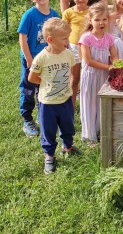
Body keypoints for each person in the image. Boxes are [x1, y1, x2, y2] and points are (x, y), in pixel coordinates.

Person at [28, 18, 81, 174]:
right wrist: (47, 82)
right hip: (48, 103)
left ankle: (68, 146)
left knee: (68, 126)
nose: (67, 41)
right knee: (48, 130)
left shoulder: (68, 54)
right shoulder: (42, 58)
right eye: (64, 38)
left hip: (65, 100)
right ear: (50, 40)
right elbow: (32, 77)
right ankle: (49, 155)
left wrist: (69, 86)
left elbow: (71, 72)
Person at [18, 0, 59, 138]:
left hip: (47, 60)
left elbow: (57, 35)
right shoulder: (29, 15)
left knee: (45, 88)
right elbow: (22, 37)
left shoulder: (54, 14)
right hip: (32, 59)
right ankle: (27, 120)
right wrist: (29, 58)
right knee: (28, 88)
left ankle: (43, 116)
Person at [78, 1, 117, 144]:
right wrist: (108, 67)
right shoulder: (86, 38)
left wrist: (117, 65)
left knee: (101, 103)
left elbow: (115, 56)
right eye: (97, 19)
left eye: (104, 19)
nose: (101, 22)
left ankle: (101, 131)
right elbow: (88, 61)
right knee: (89, 104)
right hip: (90, 76)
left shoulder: (109, 38)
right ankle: (90, 136)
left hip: (103, 77)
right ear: (90, 21)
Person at [62, 0, 92, 106]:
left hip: (89, 48)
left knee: (87, 78)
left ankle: (88, 105)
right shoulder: (68, 12)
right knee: (74, 79)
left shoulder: (92, 11)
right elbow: (63, 30)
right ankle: (71, 106)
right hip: (73, 48)